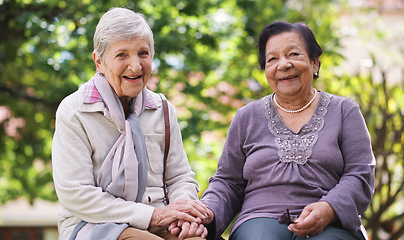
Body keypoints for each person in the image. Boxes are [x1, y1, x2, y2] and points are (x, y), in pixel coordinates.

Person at [198, 21, 375, 240]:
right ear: (266, 70)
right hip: (258, 219)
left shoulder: (344, 111)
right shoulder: (246, 117)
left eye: (293, 54)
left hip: (331, 221)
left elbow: (360, 174)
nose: (283, 65)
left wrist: (329, 208)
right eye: (272, 59)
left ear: (315, 63)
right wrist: (206, 212)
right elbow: (227, 183)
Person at [52, 7, 208, 240]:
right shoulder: (74, 112)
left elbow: (180, 177)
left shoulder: (162, 109)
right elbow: (76, 194)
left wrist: (183, 212)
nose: (135, 66)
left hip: (162, 219)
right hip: (95, 224)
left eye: (143, 53)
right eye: (122, 55)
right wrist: (152, 216)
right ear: (99, 61)